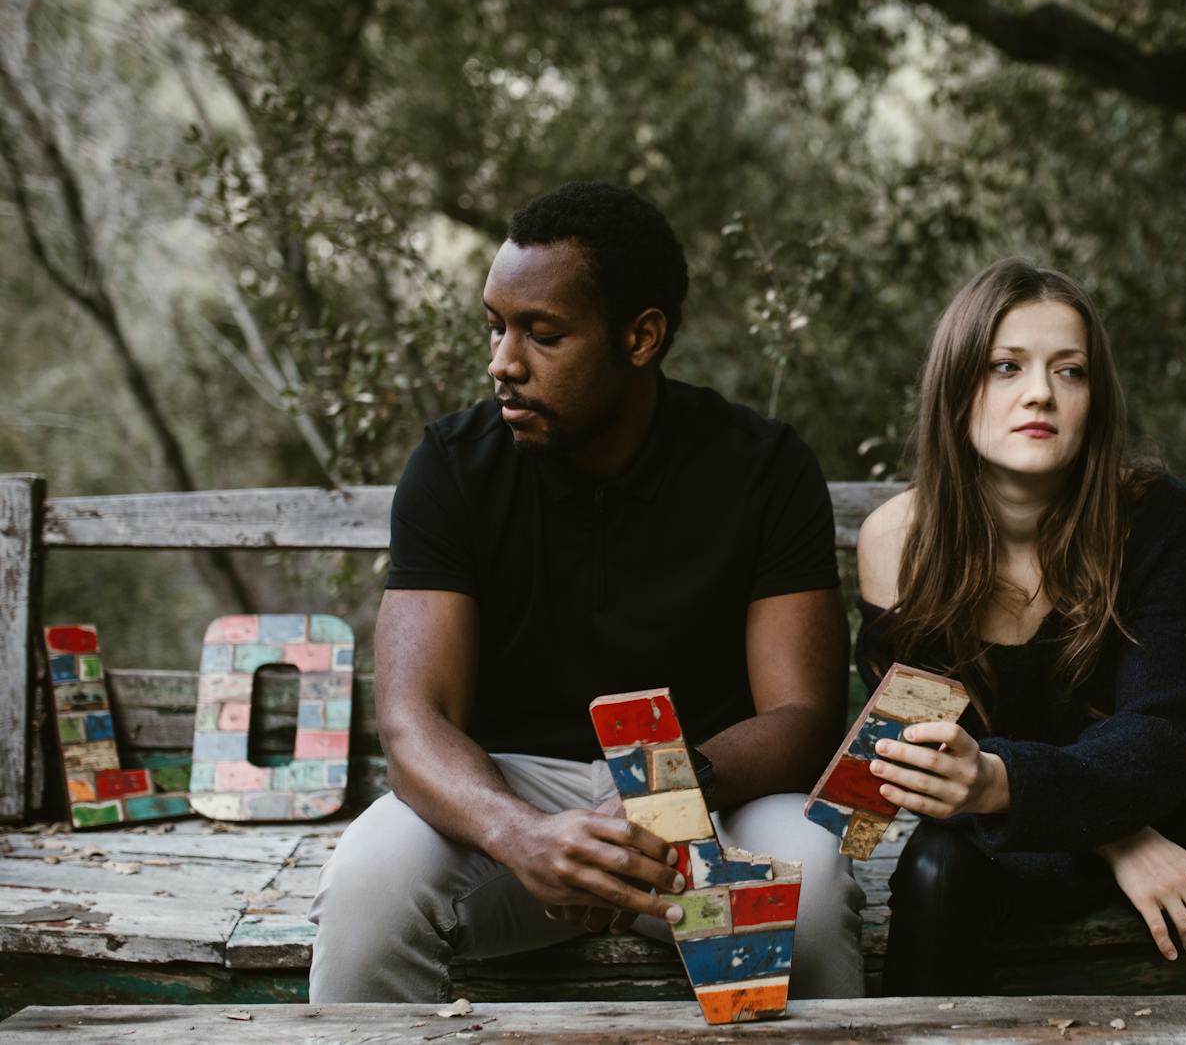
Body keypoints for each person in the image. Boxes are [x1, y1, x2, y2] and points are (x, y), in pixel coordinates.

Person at [309, 182, 863, 1003]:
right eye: (496, 327)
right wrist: (520, 833)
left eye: (543, 333)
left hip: (704, 797)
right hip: (505, 797)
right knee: (366, 880)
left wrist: (667, 793)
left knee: (809, 882)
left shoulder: (761, 467)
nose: (504, 362)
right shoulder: (453, 467)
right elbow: (414, 718)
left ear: (641, 337)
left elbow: (801, 717)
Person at [852, 257, 1186, 995]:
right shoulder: (897, 544)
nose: (1040, 392)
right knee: (934, 872)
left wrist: (1117, 825)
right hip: (1004, 815)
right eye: (1005, 366)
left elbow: (1163, 738)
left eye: (1069, 371)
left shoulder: (1168, 523)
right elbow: (938, 758)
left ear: (1095, 397)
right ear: (955, 387)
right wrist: (1113, 840)